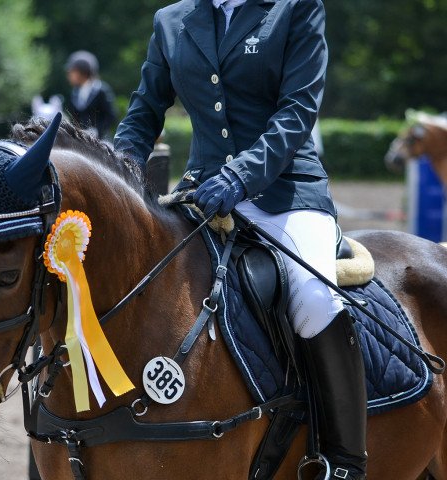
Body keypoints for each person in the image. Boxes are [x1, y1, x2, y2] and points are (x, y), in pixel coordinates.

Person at [114, 1, 367, 478]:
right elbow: (144, 112)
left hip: (285, 192)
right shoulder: (172, 20)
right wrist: (115, 173)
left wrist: (241, 176)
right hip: (204, 191)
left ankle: (345, 458)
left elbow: (298, 110)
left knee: (314, 299)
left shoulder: (294, 9)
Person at [66, 51, 116, 140]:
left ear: (83, 72)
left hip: (101, 139)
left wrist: (97, 131)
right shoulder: (74, 93)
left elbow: (110, 116)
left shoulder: (101, 90)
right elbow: (74, 118)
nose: (69, 75)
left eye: (72, 72)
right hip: (81, 139)